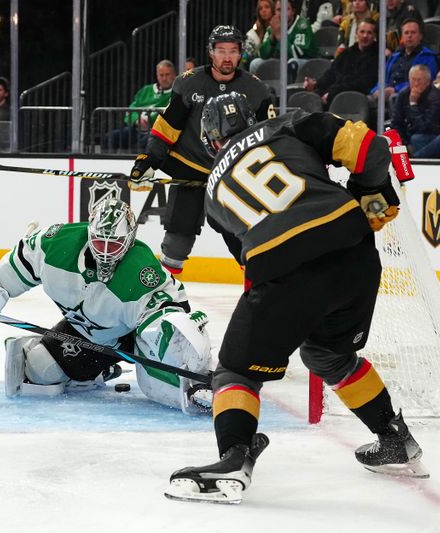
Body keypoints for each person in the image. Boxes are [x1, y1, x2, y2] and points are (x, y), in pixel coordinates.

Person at [164, 92, 426, 505]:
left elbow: (251, 260)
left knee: (234, 371)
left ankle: (234, 457)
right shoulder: (288, 123)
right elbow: (370, 147)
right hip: (355, 255)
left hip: (286, 270)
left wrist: (255, 345)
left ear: (212, 141)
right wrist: (370, 193)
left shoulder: (212, 196)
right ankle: (395, 439)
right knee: (328, 357)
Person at [0, 198, 212, 413]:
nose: (105, 251)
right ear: (89, 232)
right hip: (90, 334)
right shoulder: (57, 244)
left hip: (134, 338)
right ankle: (99, 370)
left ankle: (199, 378)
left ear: (129, 241)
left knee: (157, 386)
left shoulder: (142, 272)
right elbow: (20, 263)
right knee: (38, 370)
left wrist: (179, 347)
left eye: (114, 244)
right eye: (99, 241)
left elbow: (170, 313)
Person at [129, 25, 272, 275]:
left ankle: (260, 296)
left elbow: (269, 137)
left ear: (240, 54)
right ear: (210, 52)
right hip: (191, 171)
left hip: (233, 175)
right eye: (221, 51)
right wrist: (147, 162)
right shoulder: (189, 83)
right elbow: (166, 129)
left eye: (233, 51)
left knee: (245, 243)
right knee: (176, 243)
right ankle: (165, 297)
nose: (227, 57)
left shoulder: (257, 90)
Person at [103, 60, 176, 152]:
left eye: (167, 74)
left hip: (156, 132)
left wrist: (149, 120)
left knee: (143, 144)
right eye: (161, 75)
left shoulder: (175, 93)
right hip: (135, 129)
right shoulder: (146, 90)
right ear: (157, 75)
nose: (164, 78)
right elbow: (131, 109)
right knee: (110, 137)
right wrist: (136, 120)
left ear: (173, 75)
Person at [305, 19, 379, 107]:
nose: (365, 36)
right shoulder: (346, 53)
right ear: (356, 33)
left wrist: (333, 93)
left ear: (374, 36)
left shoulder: (378, 57)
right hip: (334, 93)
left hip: (352, 98)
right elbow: (331, 73)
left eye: (369, 33)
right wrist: (315, 84)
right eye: (362, 32)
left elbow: (363, 84)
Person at [370, 18, 437, 101]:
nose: (409, 36)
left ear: (420, 36)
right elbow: (382, 78)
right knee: (363, 100)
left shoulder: (427, 56)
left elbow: (424, 82)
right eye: (406, 33)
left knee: (393, 99)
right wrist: (376, 90)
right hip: (386, 92)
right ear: (402, 37)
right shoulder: (394, 56)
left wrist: (396, 89)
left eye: (413, 32)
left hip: (408, 95)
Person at [250, 0, 319, 76]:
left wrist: (280, 36)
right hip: (283, 62)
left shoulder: (302, 25)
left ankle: (288, 88)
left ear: (293, 11)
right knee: (255, 64)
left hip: (308, 62)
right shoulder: (273, 26)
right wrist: (272, 36)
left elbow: (295, 55)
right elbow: (262, 54)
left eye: (286, 9)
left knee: (292, 63)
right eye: (279, 10)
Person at [391, 64, 440, 154]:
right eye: (413, 80)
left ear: (428, 82)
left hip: (433, 136)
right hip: (409, 136)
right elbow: (396, 122)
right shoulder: (403, 94)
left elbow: (424, 127)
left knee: (417, 138)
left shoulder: (436, 97)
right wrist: (405, 144)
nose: (416, 84)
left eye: (419, 80)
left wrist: (413, 104)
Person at [243, 0, 275, 67]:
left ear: (273, 9)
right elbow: (246, 53)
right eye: (260, 9)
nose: (263, 10)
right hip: (256, 58)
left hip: (272, 58)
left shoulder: (277, 26)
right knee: (244, 58)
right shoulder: (256, 29)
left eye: (267, 7)